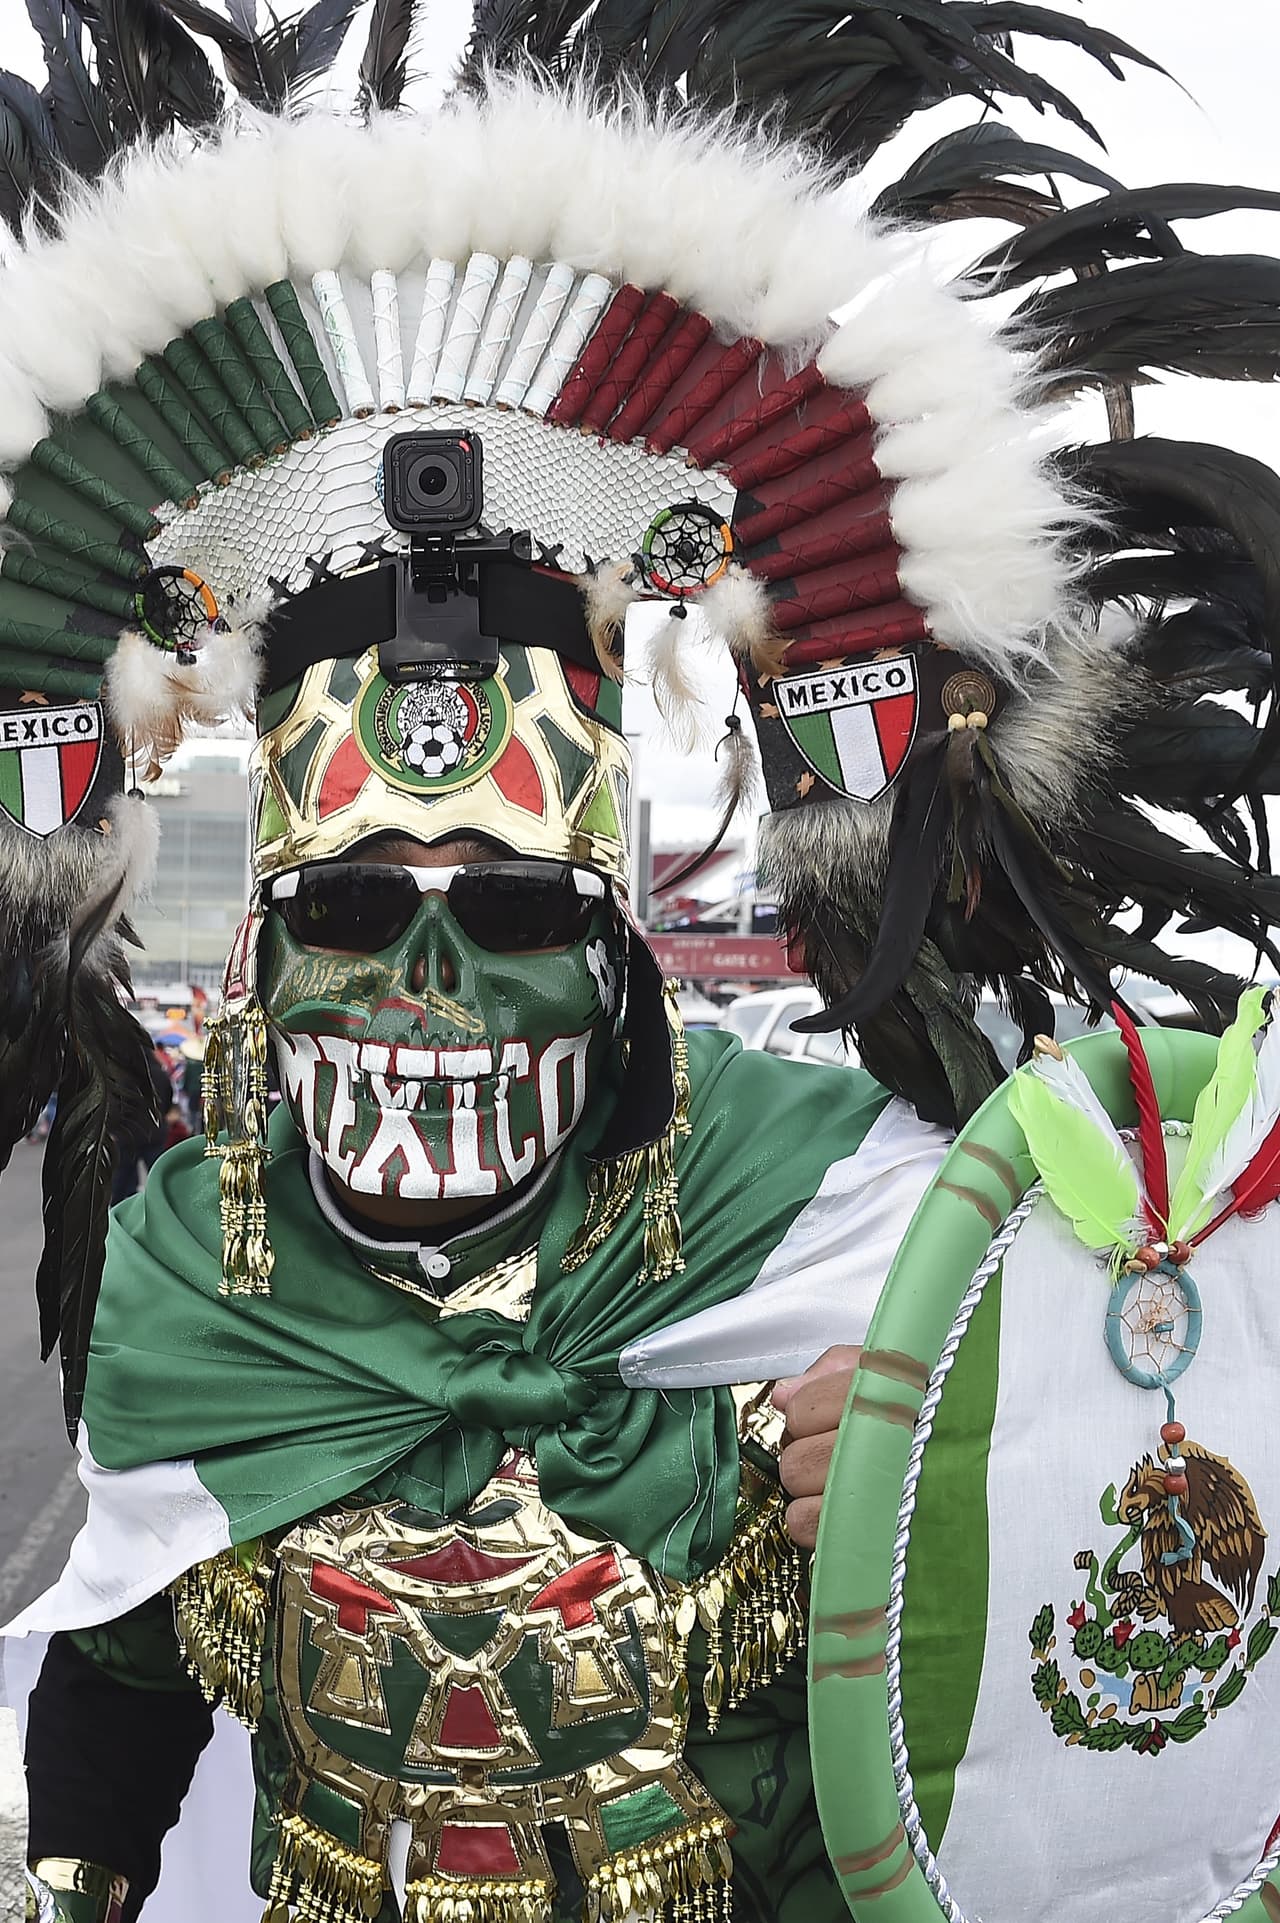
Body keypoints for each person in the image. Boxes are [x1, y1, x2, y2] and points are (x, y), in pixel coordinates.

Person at [2, 5, 1279, 1922]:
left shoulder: (845, 1202)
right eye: (351, 909)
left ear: (611, 952)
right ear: (268, 944)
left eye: (510, 911)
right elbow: (115, 1660)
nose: (425, 982)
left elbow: (1168, 1439)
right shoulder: (194, 1255)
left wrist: (970, 1441)